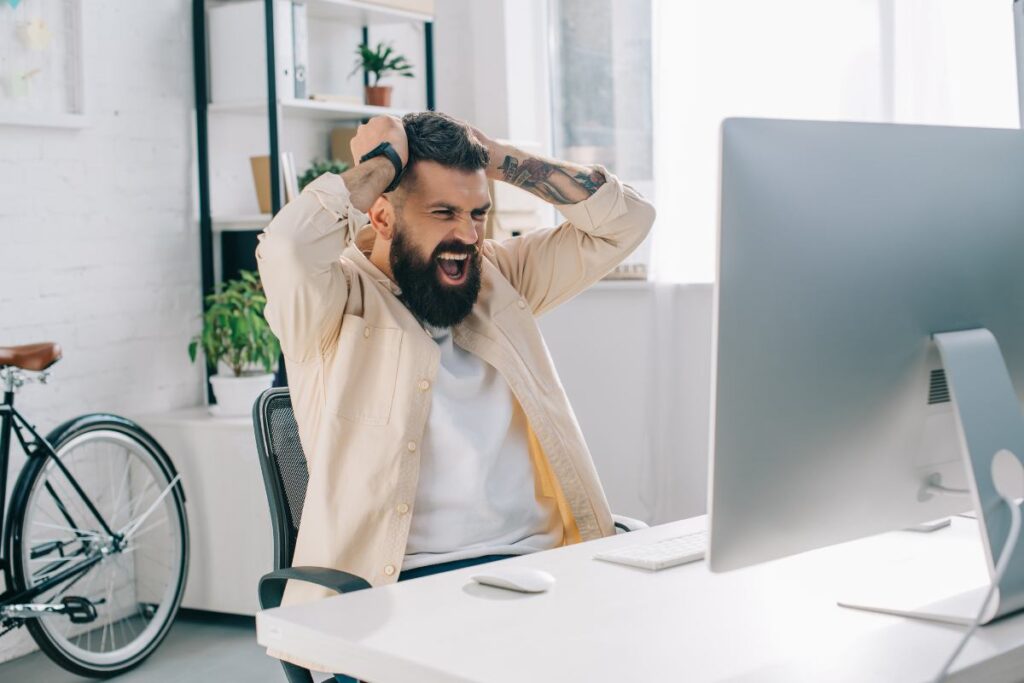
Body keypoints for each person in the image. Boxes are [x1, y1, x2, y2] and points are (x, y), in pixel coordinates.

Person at [256, 111, 656, 677]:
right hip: (404, 594)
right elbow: (290, 247)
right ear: (381, 215)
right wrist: (381, 165)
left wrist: (494, 158)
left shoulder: (498, 277)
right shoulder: (331, 303)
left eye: (477, 214)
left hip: (547, 575)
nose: (467, 235)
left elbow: (628, 221)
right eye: (443, 213)